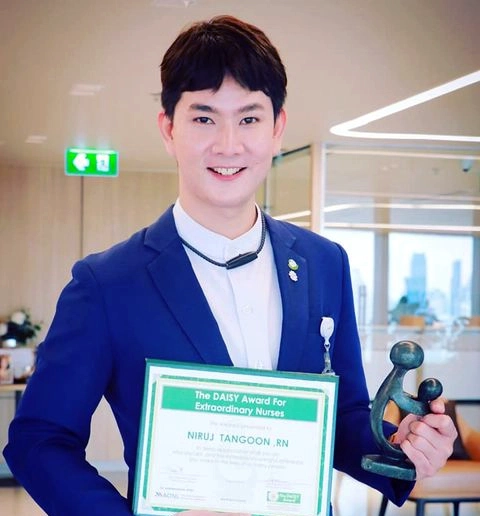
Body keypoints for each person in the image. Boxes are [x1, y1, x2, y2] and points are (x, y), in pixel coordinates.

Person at [3, 15, 456, 516]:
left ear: (277, 128)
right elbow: (39, 440)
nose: (228, 144)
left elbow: (341, 416)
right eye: (204, 119)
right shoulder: (107, 284)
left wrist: (402, 444)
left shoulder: (324, 263)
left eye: (249, 119)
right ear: (168, 129)